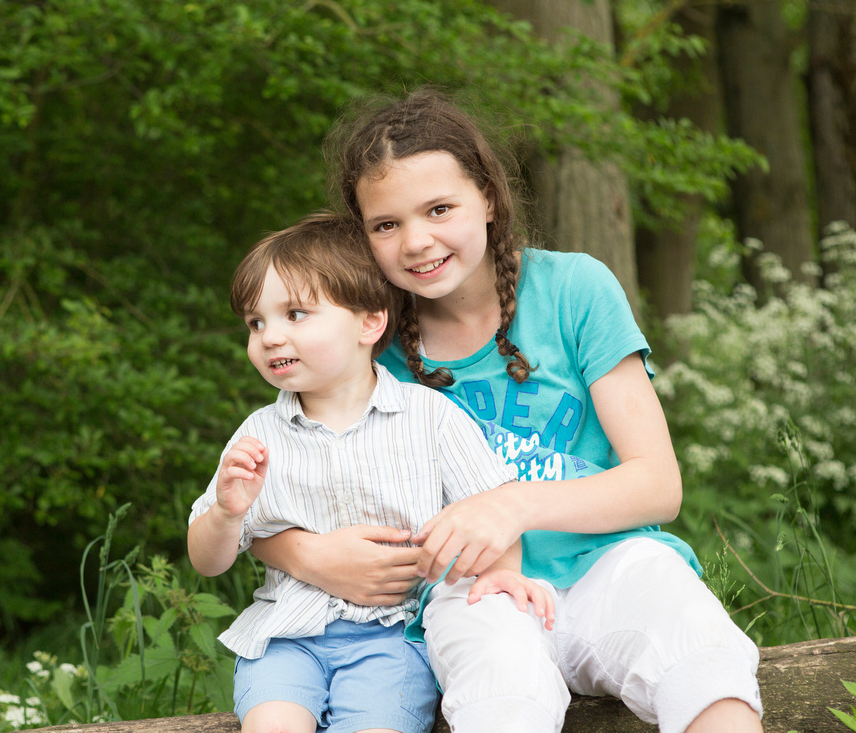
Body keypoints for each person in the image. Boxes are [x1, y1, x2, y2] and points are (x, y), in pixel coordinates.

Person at [249, 89, 764, 733]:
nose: (416, 241)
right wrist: (305, 555)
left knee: (703, 657)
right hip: (472, 594)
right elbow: (272, 473)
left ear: (489, 197)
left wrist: (512, 502)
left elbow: (658, 485)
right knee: (498, 695)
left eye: (440, 208)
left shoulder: (573, 290)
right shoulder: (365, 342)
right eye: (386, 225)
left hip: (611, 562)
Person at [188, 211, 554, 733]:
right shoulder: (259, 434)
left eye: (295, 314)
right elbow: (206, 561)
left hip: (393, 641)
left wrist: (501, 575)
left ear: (369, 322)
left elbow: (491, 507)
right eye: (256, 322)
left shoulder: (430, 416)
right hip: (286, 639)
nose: (269, 337)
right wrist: (226, 513)